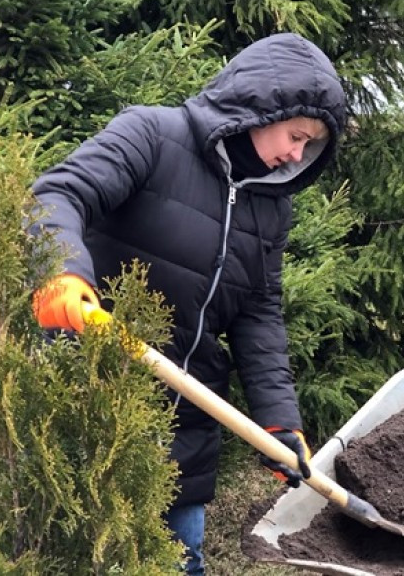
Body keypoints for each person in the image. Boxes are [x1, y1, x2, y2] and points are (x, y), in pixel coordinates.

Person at [30, 32, 347, 574]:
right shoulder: (151, 135)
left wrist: (279, 422)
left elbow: (259, 312)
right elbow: (58, 195)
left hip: (183, 420)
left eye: (309, 146)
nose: (296, 155)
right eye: (296, 135)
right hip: (92, 396)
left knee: (180, 561)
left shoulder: (271, 209)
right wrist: (62, 272)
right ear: (261, 105)